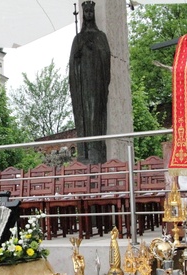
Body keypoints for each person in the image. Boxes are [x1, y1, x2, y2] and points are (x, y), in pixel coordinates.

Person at [69, 0, 111, 164]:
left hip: (96, 83)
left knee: (95, 116)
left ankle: (96, 151)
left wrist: (95, 49)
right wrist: (77, 56)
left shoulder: (101, 36)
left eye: (90, 12)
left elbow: (106, 56)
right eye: (85, 12)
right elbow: (72, 65)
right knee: (84, 117)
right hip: (82, 86)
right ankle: (84, 152)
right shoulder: (77, 39)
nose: (88, 15)